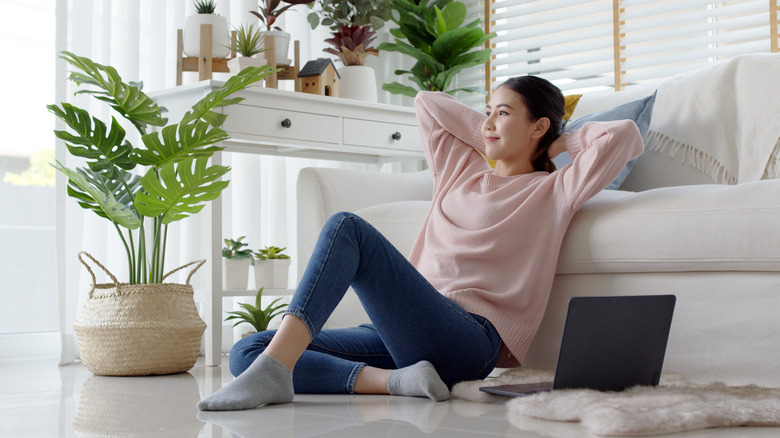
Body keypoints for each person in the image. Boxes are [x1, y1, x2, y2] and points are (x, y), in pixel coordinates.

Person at [197, 76, 644, 411]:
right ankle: (395, 382)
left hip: (468, 338)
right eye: (487, 111)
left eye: (503, 113)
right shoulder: (459, 171)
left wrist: (555, 142)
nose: (487, 122)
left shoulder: (555, 190)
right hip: (398, 335)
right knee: (247, 351)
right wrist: (493, 130)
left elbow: (622, 136)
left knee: (346, 227)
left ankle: (279, 374)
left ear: (538, 126)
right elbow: (428, 104)